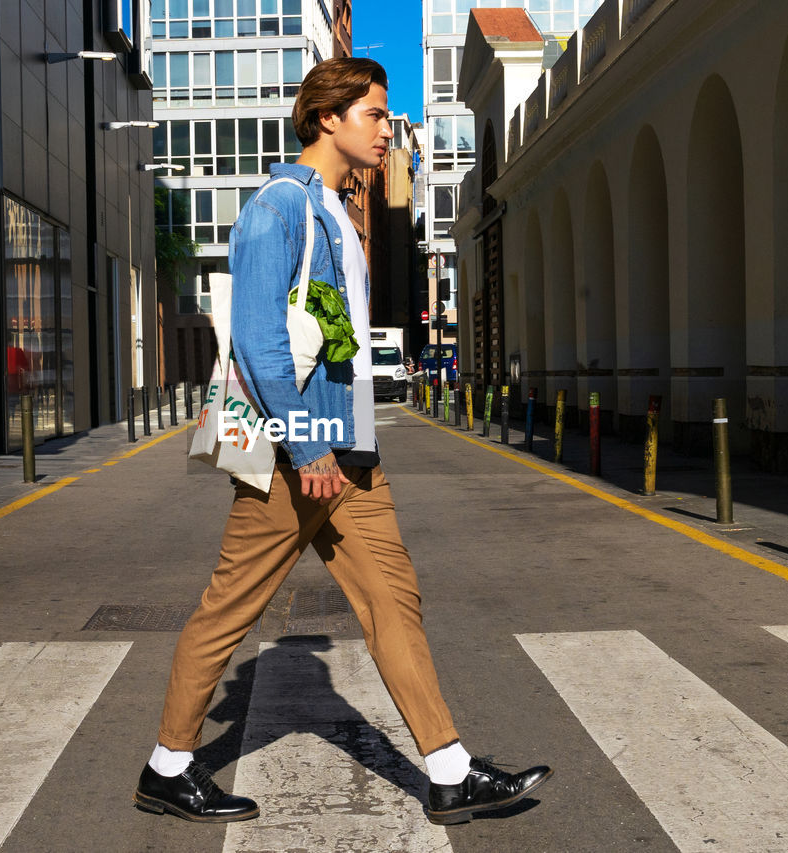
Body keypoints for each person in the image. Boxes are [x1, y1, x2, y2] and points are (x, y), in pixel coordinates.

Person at [133, 57, 551, 827]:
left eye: (386, 116)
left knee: (395, 599)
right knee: (231, 607)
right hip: (303, 453)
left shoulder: (333, 208)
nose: (387, 128)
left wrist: (339, 441)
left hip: (348, 445)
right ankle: (168, 763)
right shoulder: (278, 208)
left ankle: (450, 768)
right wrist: (307, 445)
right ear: (329, 117)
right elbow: (259, 342)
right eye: (375, 115)